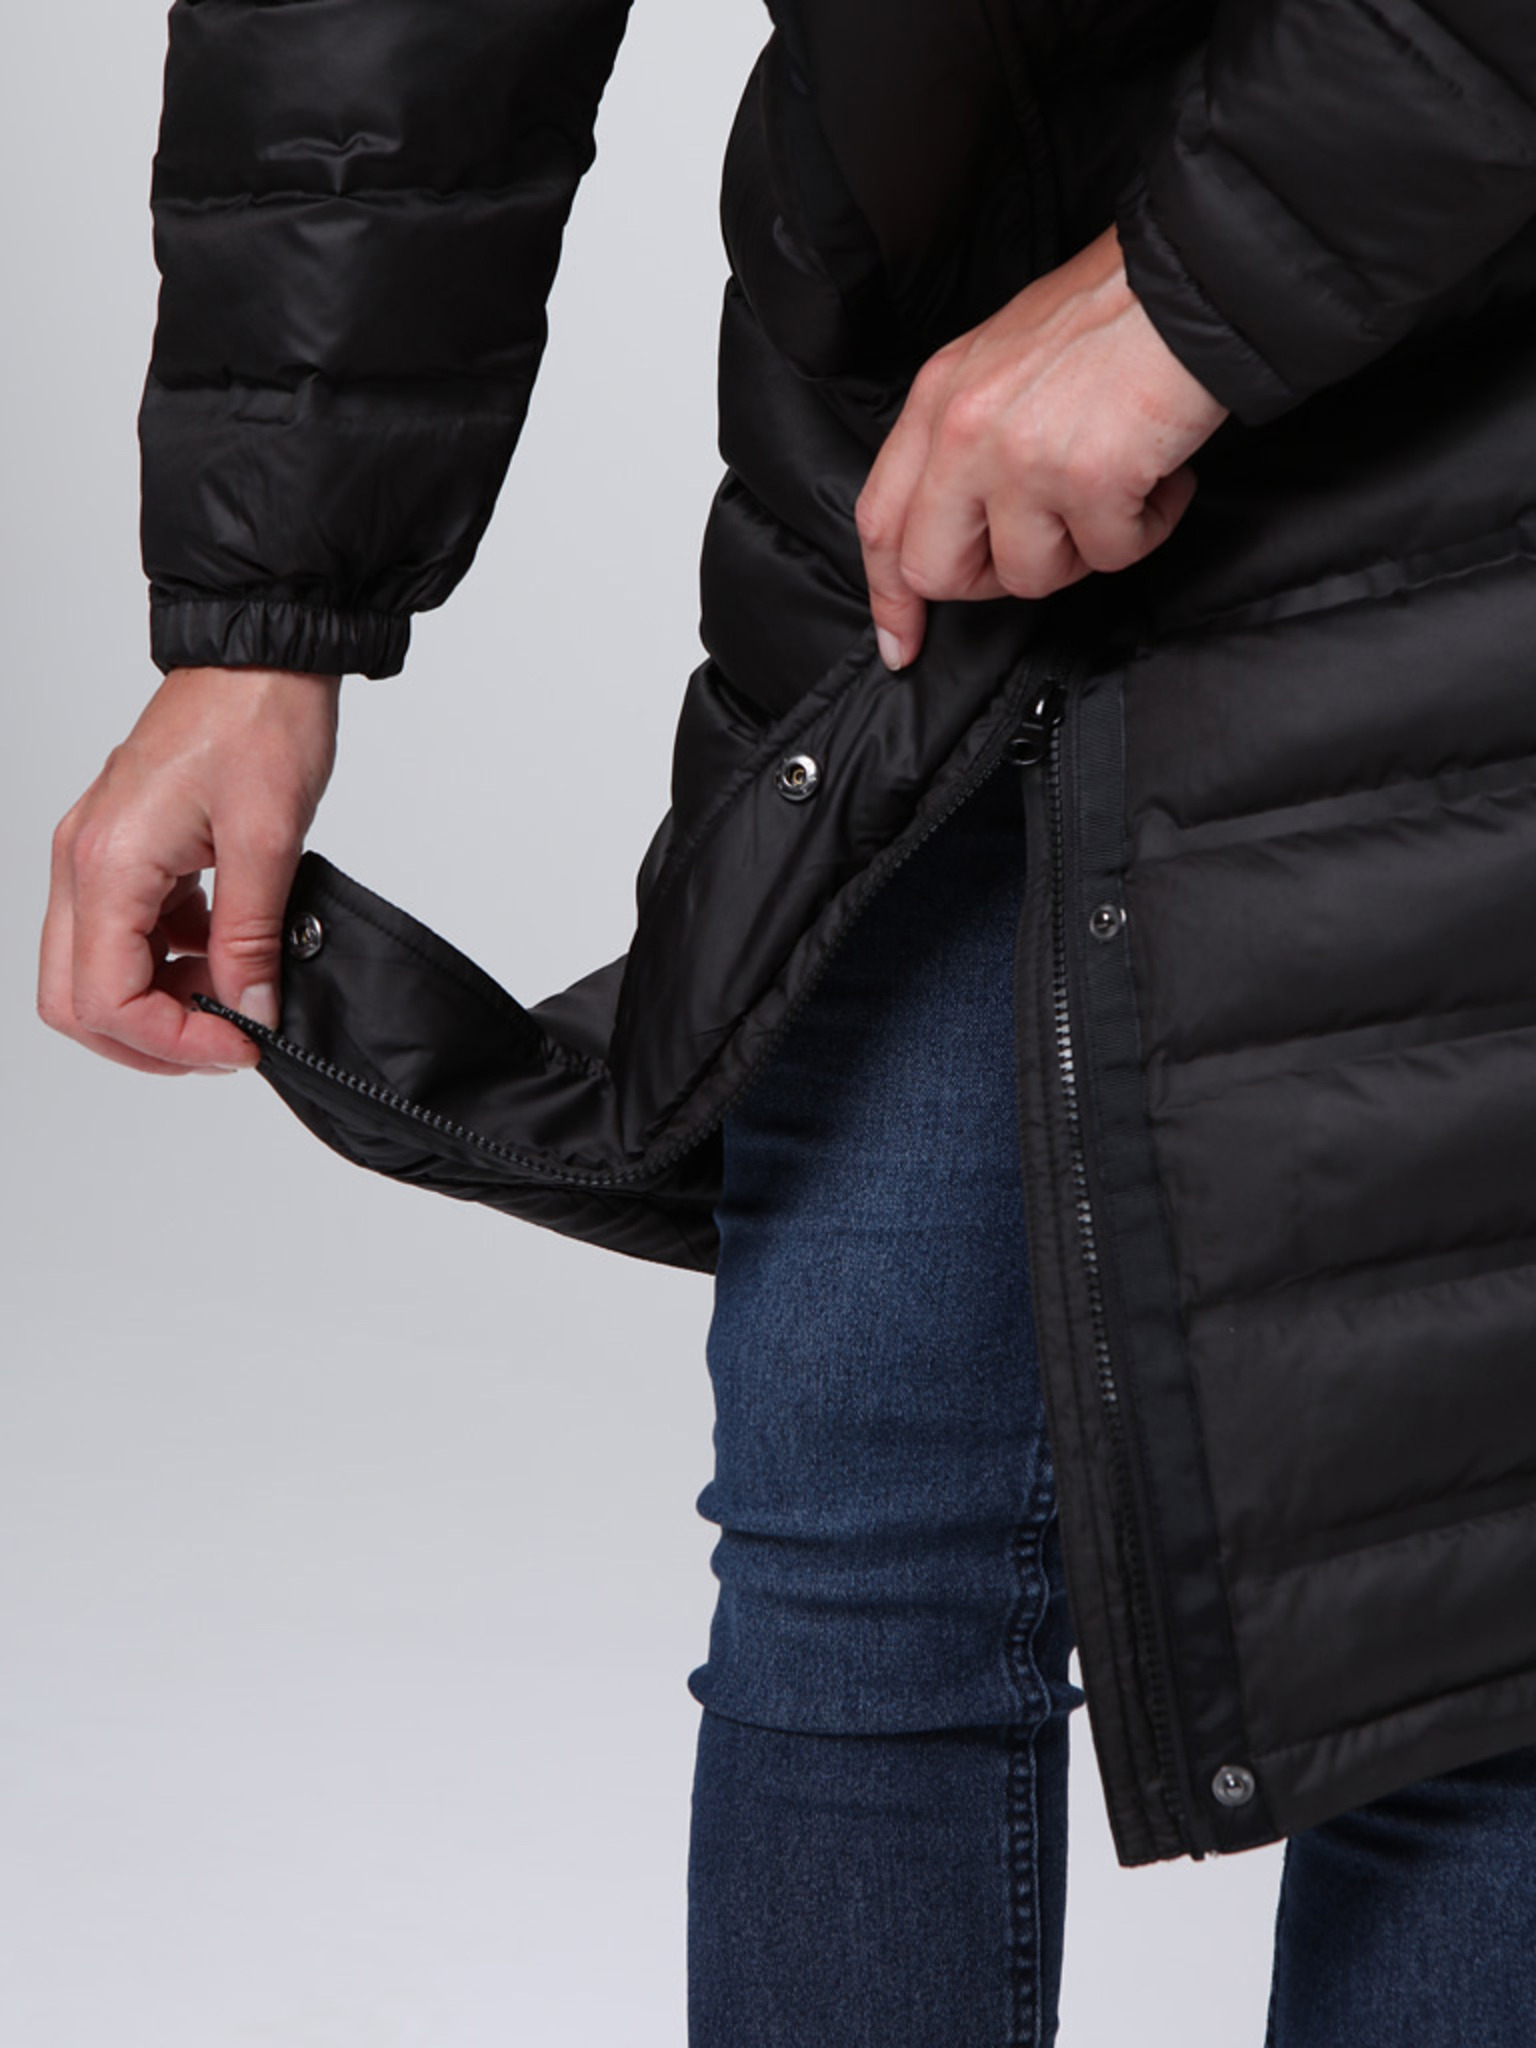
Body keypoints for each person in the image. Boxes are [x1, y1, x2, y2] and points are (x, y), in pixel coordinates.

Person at [38, 1, 1536, 2041]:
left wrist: (1190, 289)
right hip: (935, 439)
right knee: (867, 1545)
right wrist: (265, 606)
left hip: (1479, 385)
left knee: (1464, 1601)